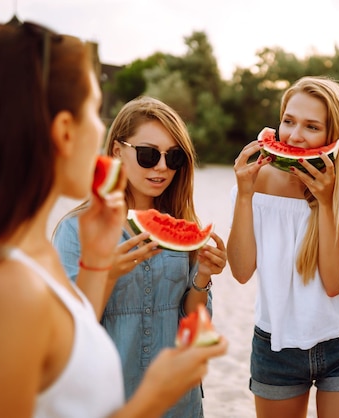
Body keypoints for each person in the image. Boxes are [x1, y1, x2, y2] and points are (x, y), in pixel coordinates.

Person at [0, 20, 227, 417]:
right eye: (94, 109)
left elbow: (76, 358)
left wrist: (94, 264)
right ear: (65, 131)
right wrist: (154, 397)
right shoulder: (4, 289)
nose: (100, 128)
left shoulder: (36, 256)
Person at [52, 95, 227, 417]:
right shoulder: (75, 230)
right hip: (110, 400)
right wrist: (105, 275)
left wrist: (202, 277)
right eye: (148, 155)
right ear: (118, 151)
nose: (162, 167)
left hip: (179, 400)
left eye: (173, 157)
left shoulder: (184, 224)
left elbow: (192, 322)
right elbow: (68, 334)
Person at [227, 76, 339, 418]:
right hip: (274, 344)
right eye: (288, 121)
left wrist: (326, 203)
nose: (294, 136)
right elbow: (239, 271)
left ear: (333, 137)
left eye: (311, 126)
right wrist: (245, 194)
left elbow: (335, 282)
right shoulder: (257, 182)